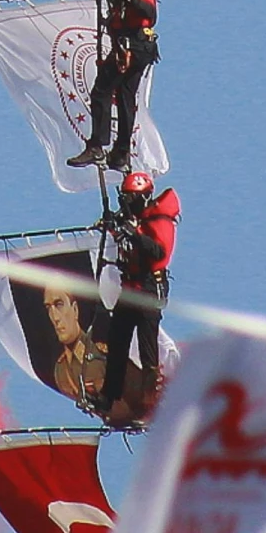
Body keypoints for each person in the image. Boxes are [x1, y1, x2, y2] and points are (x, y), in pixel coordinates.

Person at [67, 0, 161, 172]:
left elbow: (150, 14)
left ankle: (97, 145)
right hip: (139, 46)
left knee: (101, 91)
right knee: (125, 98)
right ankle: (121, 154)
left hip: (134, 44)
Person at [100, 170, 180, 428]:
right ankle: (109, 396)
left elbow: (159, 253)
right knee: (118, 342)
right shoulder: (137, 221)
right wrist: (114, 227)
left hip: (148, 288)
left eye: (132, 200)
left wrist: (133, 233)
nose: (127, 205)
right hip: (131, 287)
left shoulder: (160, 221)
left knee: (147, 348)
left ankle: (151, 401)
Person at [44, 281, 110, 414]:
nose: (55, 317)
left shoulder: (101, 354)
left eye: (59, 305)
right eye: (48, 308)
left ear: (75, 309)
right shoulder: (59, 370)